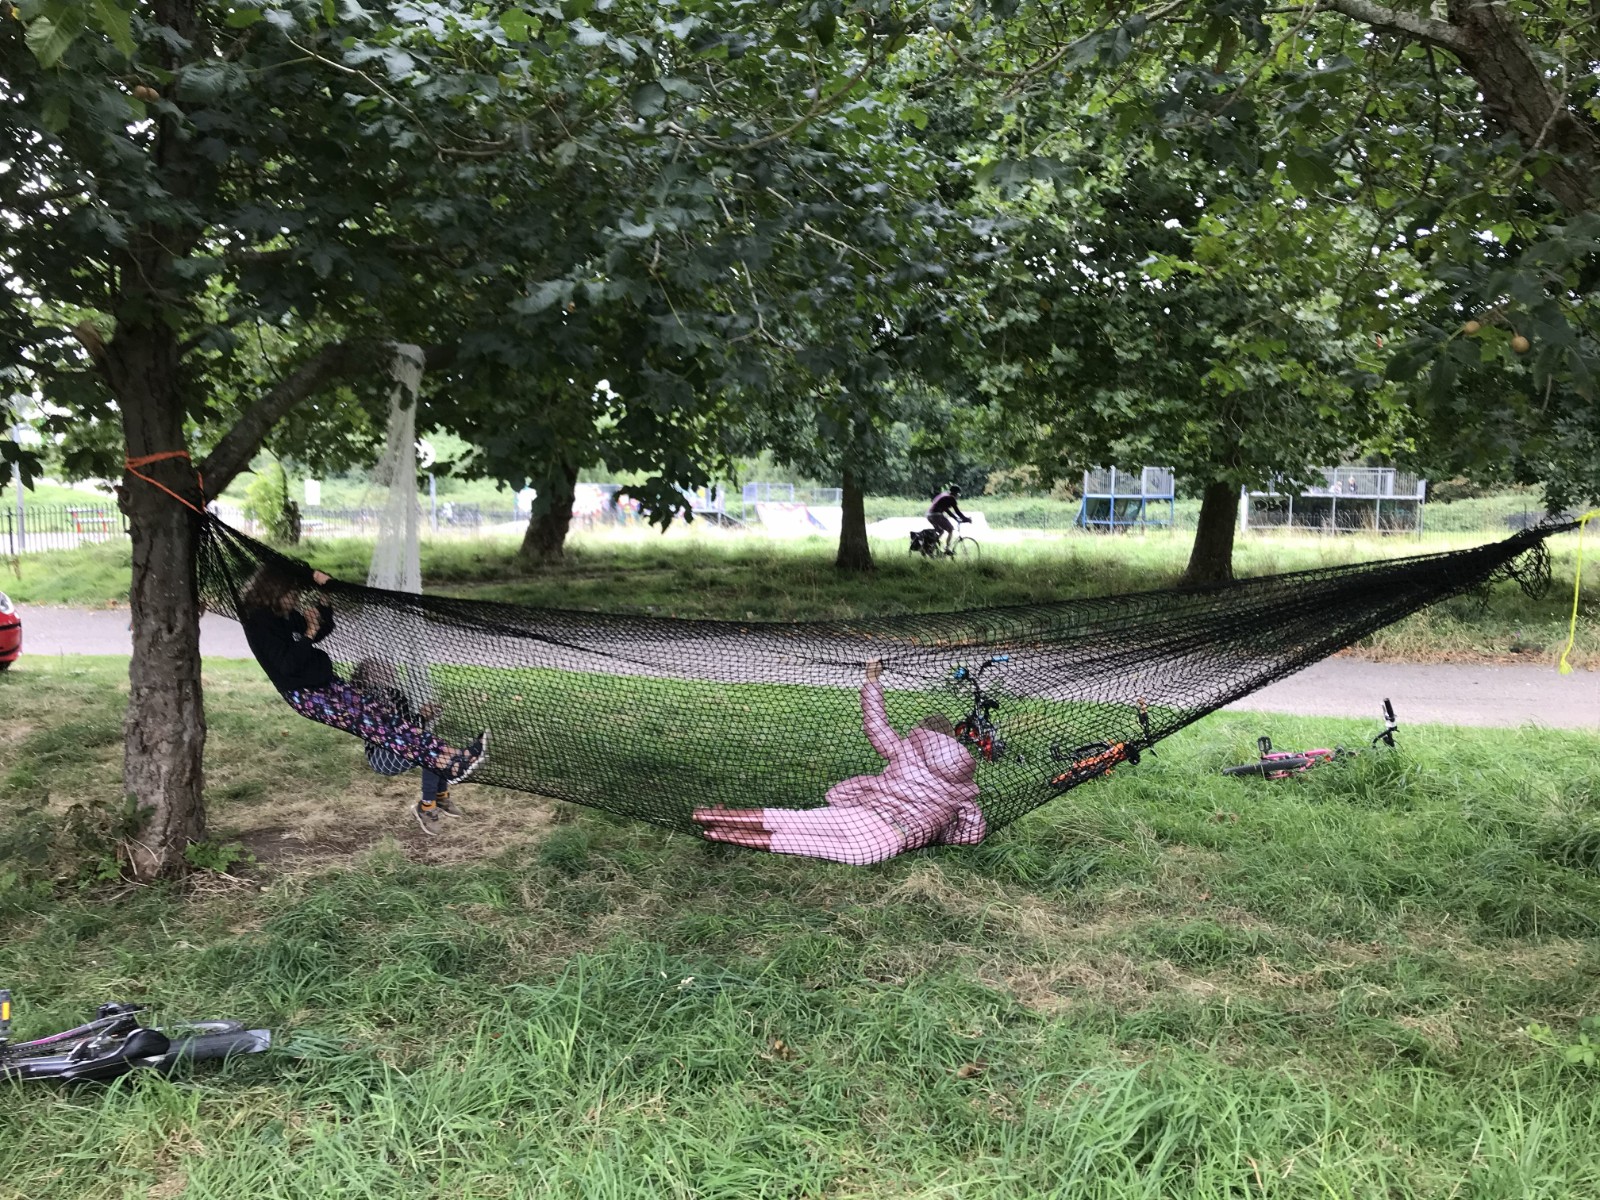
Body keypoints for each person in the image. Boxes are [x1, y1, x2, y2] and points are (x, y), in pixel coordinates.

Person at [239, 564, 488, 833]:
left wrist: (324, 598)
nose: (296, 599)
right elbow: (287, 664)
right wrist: (309, 632)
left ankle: (456, 756)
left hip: (327, 683)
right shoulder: (259, 622)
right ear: (275, 591)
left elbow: (322, 630)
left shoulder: (283, 614)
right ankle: (446, 766)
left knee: (387, 717)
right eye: (292, 594)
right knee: (378, 727)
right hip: (308, 695)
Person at [692, 659, 987, 865]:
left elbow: (876, 726)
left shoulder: (905, 750)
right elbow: (972, 834)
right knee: (797, 843)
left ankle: (710, 816)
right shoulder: (964, 790)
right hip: (885, 846)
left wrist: (872, 681)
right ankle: (718, 833)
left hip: (864, 817)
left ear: (922, 733)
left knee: (793, 821)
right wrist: (940, 832)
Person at [351, 658, 463, 836]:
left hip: (401, 747)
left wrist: (425, 715)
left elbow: (408, 728)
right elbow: (390, 730)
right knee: (429, 753)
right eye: (380, 666)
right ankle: (427, 807)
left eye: (386, 663)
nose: (389, 666)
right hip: (383, 756)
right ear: (368, 675)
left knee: (434, 749)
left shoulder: (395, 694)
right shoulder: (364, 697)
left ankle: (440, 797)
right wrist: (421, 717)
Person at [926, 484, 970, 553]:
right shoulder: (951, 498)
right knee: (950, 529)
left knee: (941, 531)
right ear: (955, 493)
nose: (958, 496)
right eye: (958, 494)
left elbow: (947, 510)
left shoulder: (945, 495)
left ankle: (930, 546)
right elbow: (957, 511)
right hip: (936, 515)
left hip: (929, 515)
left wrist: (956, 519)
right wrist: (966, 519)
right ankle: (947, 549)